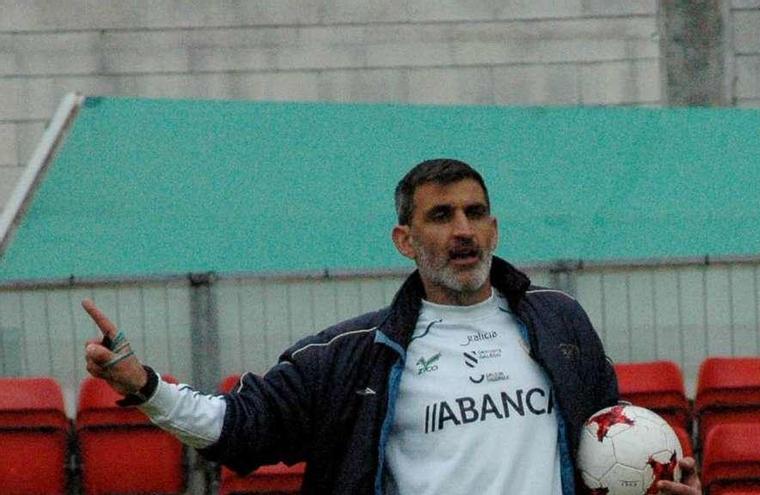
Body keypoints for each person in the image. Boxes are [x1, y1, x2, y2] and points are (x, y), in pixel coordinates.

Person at [83, 158, 701, 494]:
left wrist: (665, 478)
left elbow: (608, 437)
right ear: (405, 240)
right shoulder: (352, 353)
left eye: (474, 213)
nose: (462, 229)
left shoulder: (559, 320)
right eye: (441, 216)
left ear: (494, 230)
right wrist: (144, 386)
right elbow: (239, 427)